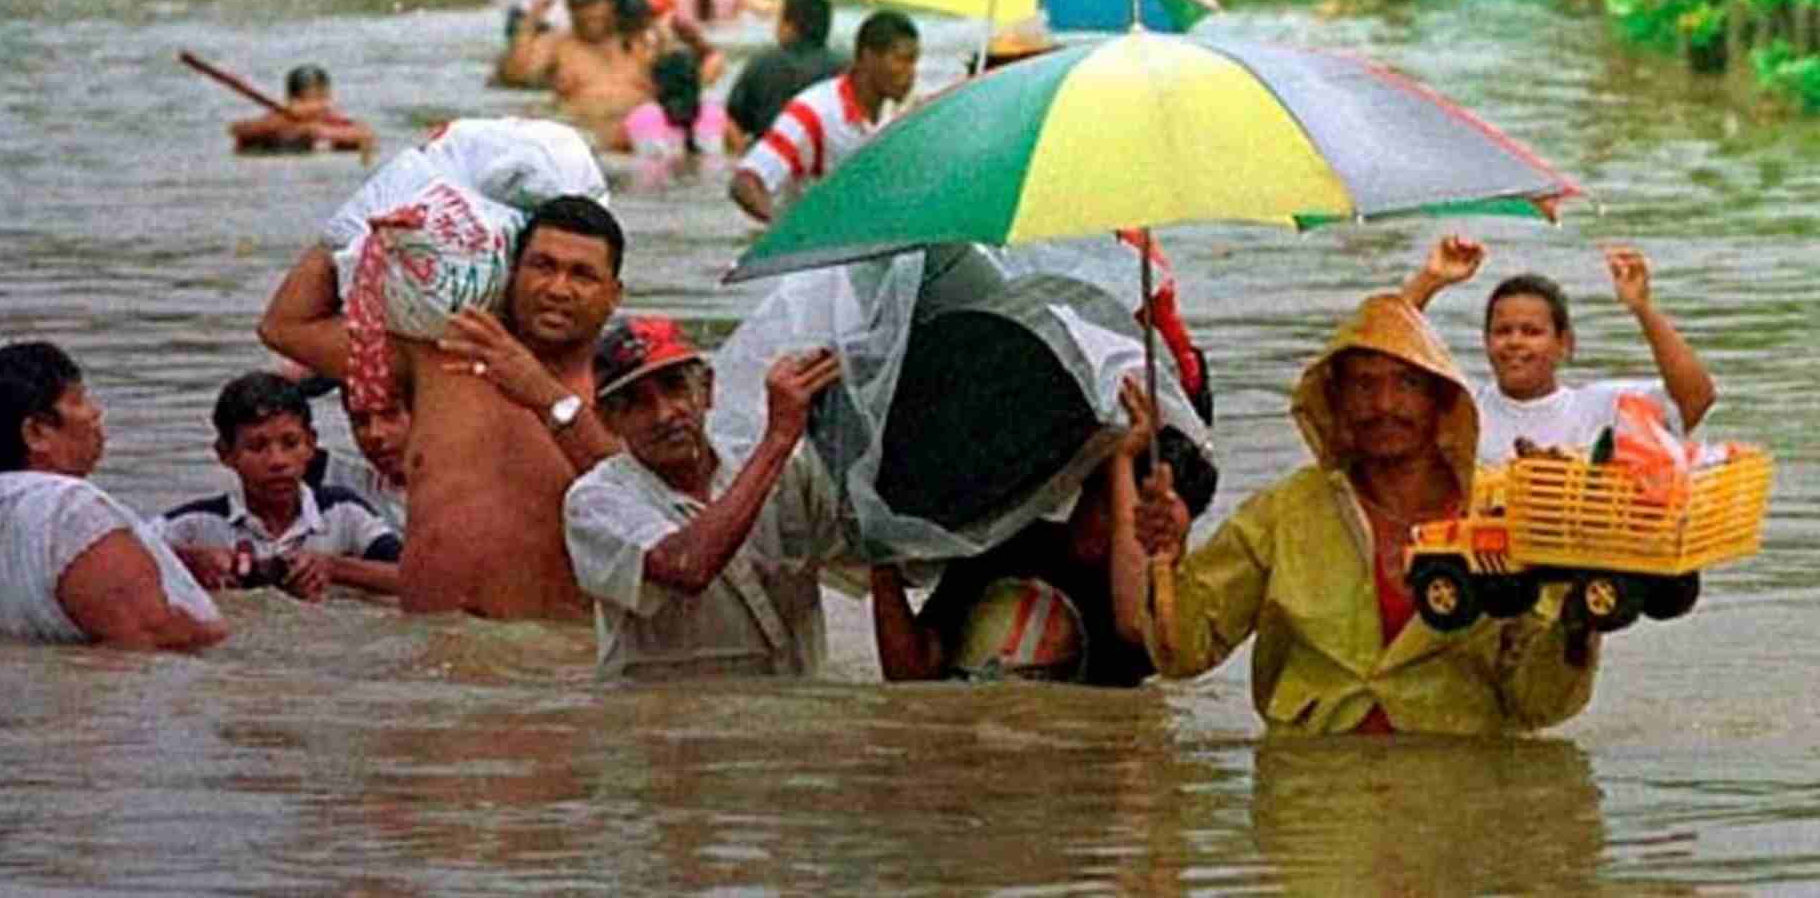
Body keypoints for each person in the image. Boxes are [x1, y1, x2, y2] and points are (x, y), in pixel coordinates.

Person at [1114, 293, 1601, 735]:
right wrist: (1168, 558)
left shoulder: (1501, 512)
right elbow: (1184, 655)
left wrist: (1578, 624)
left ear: (1440, 401)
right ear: (1337, 403)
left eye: (1406, 384)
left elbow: (1541, 704)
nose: (1383, 405)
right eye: (1364, 386)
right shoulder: (1283, 512)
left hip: (1461, 794)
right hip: (1311, 790)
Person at [259, 195, 626, 620]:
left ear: (614, 294)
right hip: (428, 663)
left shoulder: (626, 382)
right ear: (511, 273)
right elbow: (284, 326)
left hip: (550, 661)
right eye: (542, 266)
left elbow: (640, 500)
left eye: (582, 275)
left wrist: (540, 391)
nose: (557, 289)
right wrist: (356, 217)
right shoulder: (440, 355)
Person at [562, 316, 846, 678]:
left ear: (708, 390)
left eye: (674, 387)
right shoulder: (594, 502)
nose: (664, 415)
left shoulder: (790, 472)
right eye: (634, 402)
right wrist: (777, 439)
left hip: (789, 718)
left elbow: (872, 554)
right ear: (607, 422)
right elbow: (686, 566)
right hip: (661, 726)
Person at [870, 378, 1171, 686]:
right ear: (1083, 487)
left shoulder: (1131, 604)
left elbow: (1136, 624)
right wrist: (879, 553)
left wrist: (1121, 459)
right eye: (1107, 506)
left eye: (1127, 515)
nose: (1111, 529)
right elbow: (912, 672)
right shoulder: (1006, 544)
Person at [0, 342, 228, 649]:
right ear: (36, 433)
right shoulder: (73, 509)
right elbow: (150, 636)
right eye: (78, 400)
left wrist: (177, 561)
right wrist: (222, 636)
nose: (96, 412)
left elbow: (53, 580)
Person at [1401, 235, 1716, 464]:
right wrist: (1429, 281)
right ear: (1486, 341)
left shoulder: (1602, 408)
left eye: (1532, 332)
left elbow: (1696, 398)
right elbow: (1379, 362)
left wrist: (1642, 309)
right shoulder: (1462, 409)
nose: (1514, 342)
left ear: (1564, 345)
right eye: (1502, 332)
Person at [162, 373, 401, 599]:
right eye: (257, 447)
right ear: (225, 454)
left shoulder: (343, 512)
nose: (278, 461)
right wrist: (190, 561)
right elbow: (128, 554)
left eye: (290, 443)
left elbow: (412, 577)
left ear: (311, 444)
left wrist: (335, 568)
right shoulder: (198, 524)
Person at [729, 9, 920, 223]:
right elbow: (745, 181)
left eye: (914, 62)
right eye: (902, 60)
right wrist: (783, 231)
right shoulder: (813, 112)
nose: (912, 73)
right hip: (817, 250)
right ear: (868, 58)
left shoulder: (900, 116)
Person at [498, 0, 657, 149]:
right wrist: (530, 22)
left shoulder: (639, 42)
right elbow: (517, 75)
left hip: (642, 139)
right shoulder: (557, 44)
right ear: (569, 9)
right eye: (579, 7)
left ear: (611, 2)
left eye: (594, 4)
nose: (587, 14)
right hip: (584, 138)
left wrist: (653, 20)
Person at [724, 0, 846, 143]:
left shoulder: (762, 63)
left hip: (771, 160)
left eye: (779, 20)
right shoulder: (845, 69)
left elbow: (734, 124)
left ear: (790, 26)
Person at [301, 381, 409, 532]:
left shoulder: (451, 497)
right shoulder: (344, 483)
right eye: (361, 421)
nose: (375, 433)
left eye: (390, 415)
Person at [621, 50, 740, 186]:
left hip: (652, 194)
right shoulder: (717, 115)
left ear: (656, 84)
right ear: (696, 83)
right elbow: (739, 153)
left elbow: (618, 152)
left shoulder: (639, 117)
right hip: (708, 188)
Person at [229, 64, 375, 162]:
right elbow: (237, 131)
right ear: (291, 100)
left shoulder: (335, 121)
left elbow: (365, 135)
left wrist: (317, 130)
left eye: (320, 97)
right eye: (306, 98)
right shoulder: (278, 120)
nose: (315, 104)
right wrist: (290, 122)